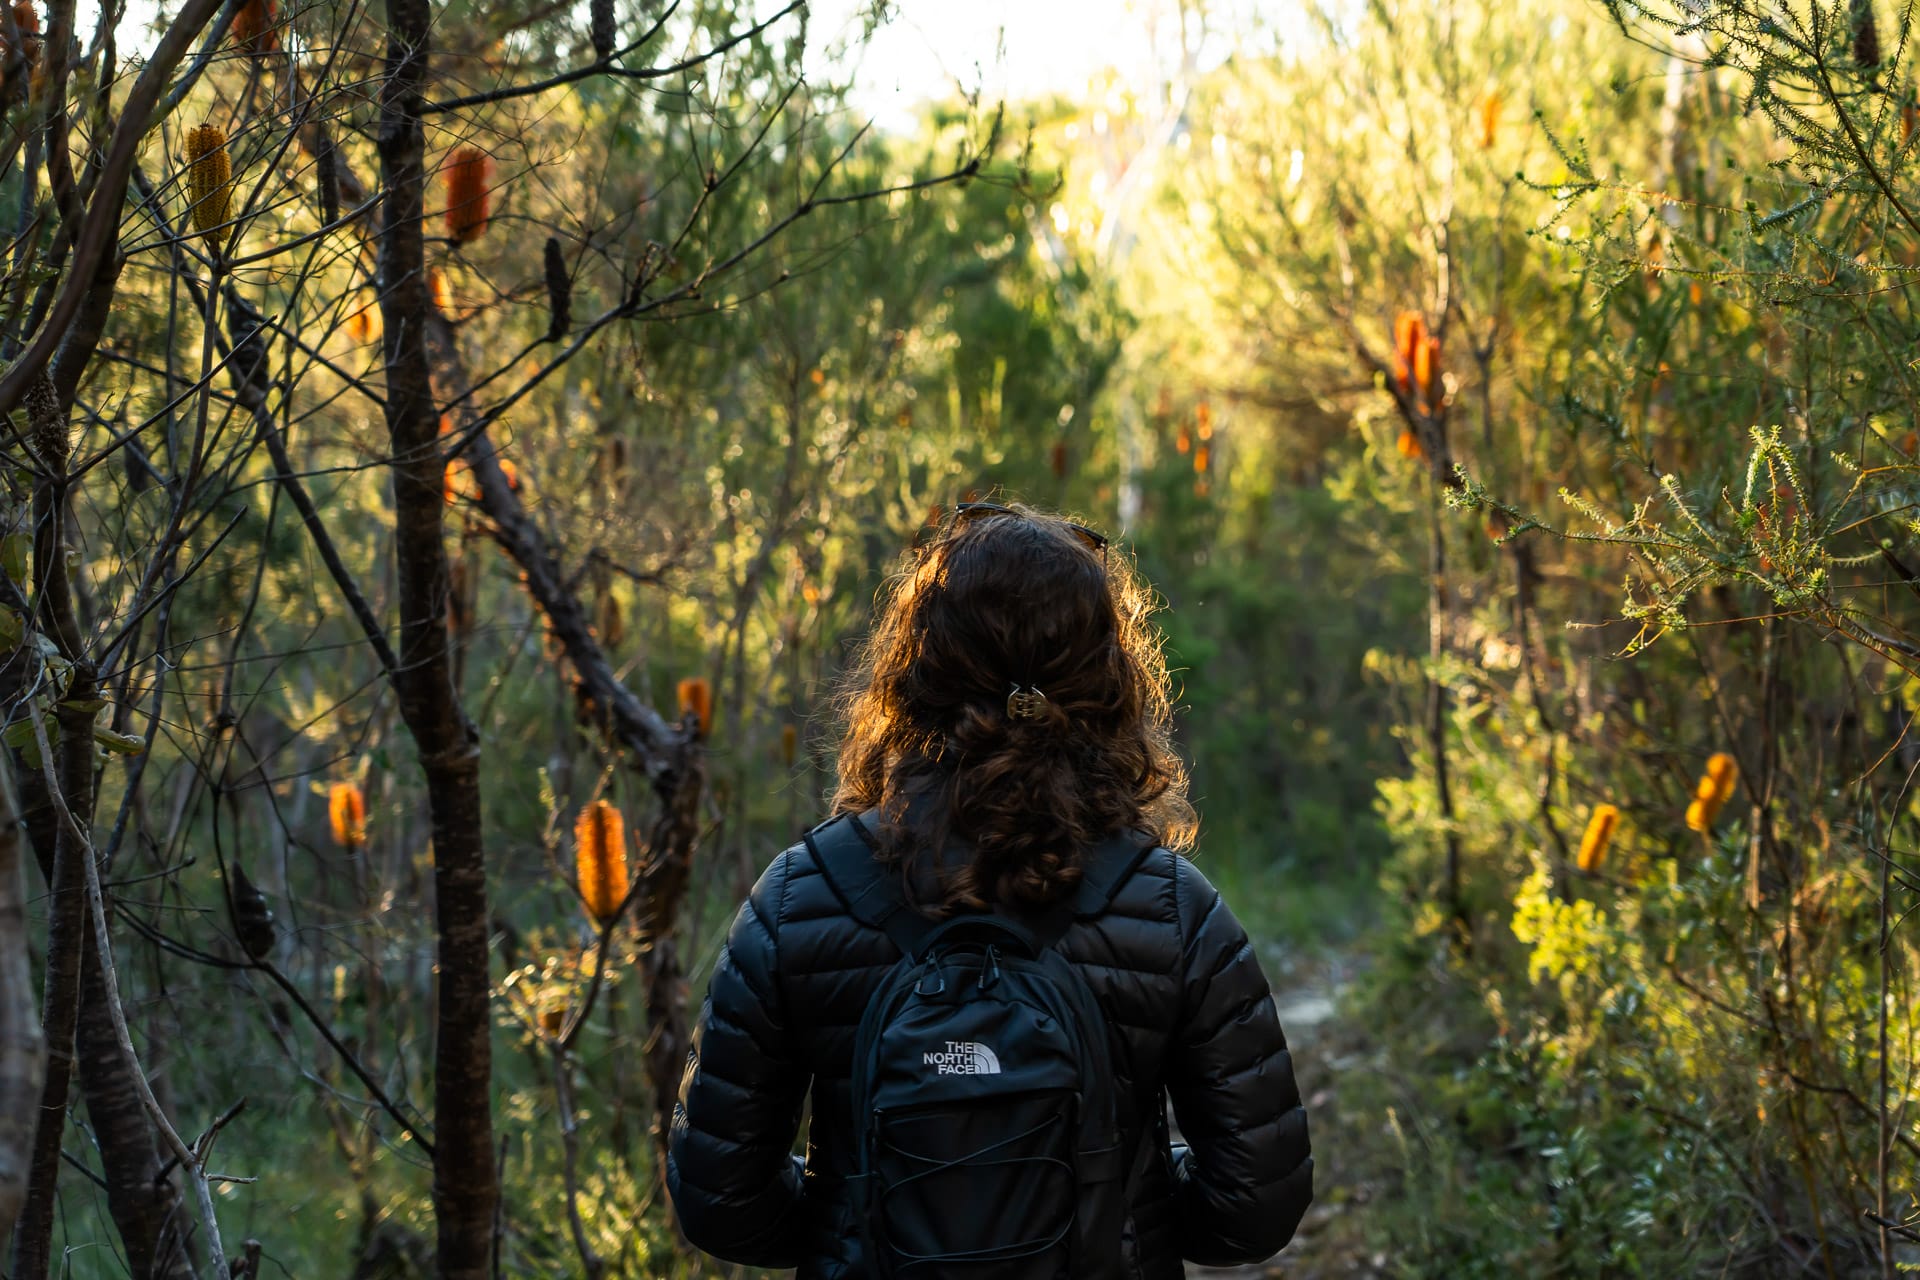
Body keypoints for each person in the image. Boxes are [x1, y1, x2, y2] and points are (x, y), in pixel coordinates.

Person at [666, 501, 1313, 1278]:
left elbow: (720, 1202)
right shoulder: (1173, 910)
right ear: (1108, 672)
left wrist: (857, 1220)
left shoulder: (799, 897)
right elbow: (1255, 1208)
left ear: (916, 663)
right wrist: (1118, 1210)